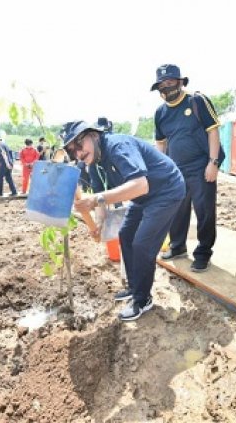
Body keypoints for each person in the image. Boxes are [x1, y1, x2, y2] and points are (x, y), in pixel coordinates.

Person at [66, 120, 185, 322]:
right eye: (72, 151)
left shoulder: (117, 145)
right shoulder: (94, 163)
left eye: (79, 144)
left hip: (166, 191)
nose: (78, 153)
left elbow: (140, 185)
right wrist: (98, 226)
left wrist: (95, 200)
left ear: (94, 135)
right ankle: (134, 286)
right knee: (126, 235)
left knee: (142, 244)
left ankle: (143, 299)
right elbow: (101, 201)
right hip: (143, 197)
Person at [152, 64, 223, 272]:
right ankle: (178, 246)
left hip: (202, 167)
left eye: (170, 82)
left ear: (180, 82)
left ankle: (203, 252)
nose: (166, 87)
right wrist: (162, 171)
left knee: (204, 212)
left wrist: (213, 162)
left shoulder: (197, 101)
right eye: (162, 85)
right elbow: (161, 144)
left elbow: (213, 131)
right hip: (176, 172)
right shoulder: (160, 113)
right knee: (176, 211)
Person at [0, 131, 18, 197]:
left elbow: (4, 154)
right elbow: (10, 153)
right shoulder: (4, 144)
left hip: (5, 164)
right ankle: (14, 191)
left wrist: (7, 164)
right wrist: (10, 163)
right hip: (8, 163)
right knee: (8, 178)